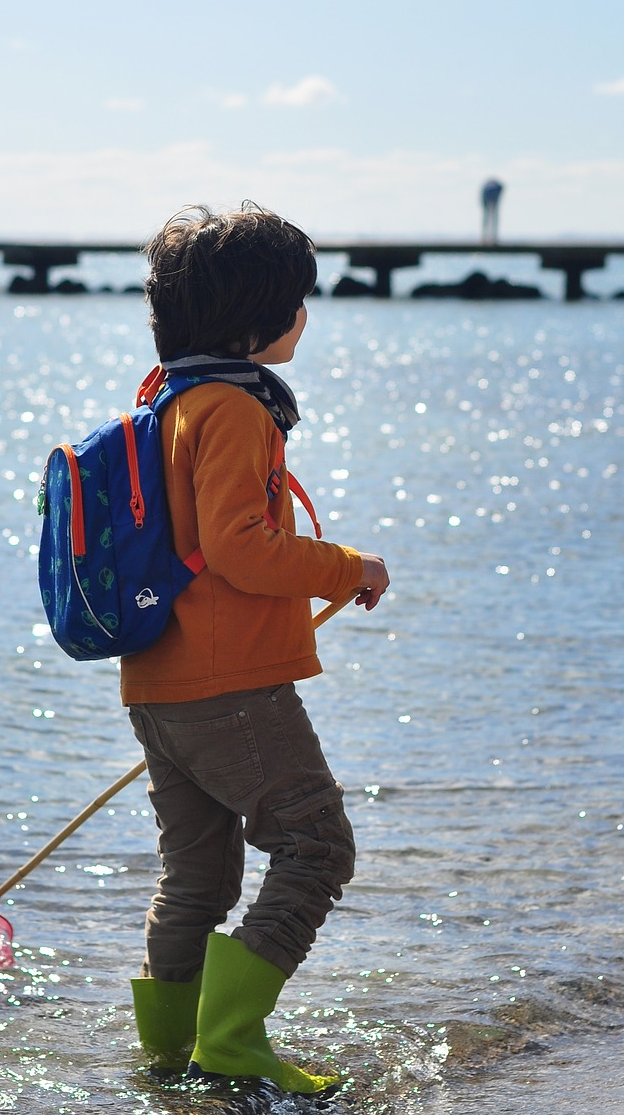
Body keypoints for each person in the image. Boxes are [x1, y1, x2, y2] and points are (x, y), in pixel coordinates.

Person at [123, 203, 390, 1093]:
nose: (305, 318)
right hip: (229, 684)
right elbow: (241, 545)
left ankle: (168, 1057)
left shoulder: (168, 400)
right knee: (317, 845)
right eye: (296, 301)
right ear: (255, 320)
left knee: (199, 872)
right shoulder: (234, 409)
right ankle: (231, 1043)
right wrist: (347, 565)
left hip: (160, 681)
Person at [480, 178, 504, 244]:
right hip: (487, 199)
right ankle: (487, 238)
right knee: (489, 218)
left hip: (488, 199)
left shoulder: (495, 187)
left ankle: (489, 238)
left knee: (489, 218)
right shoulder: (495, 188)